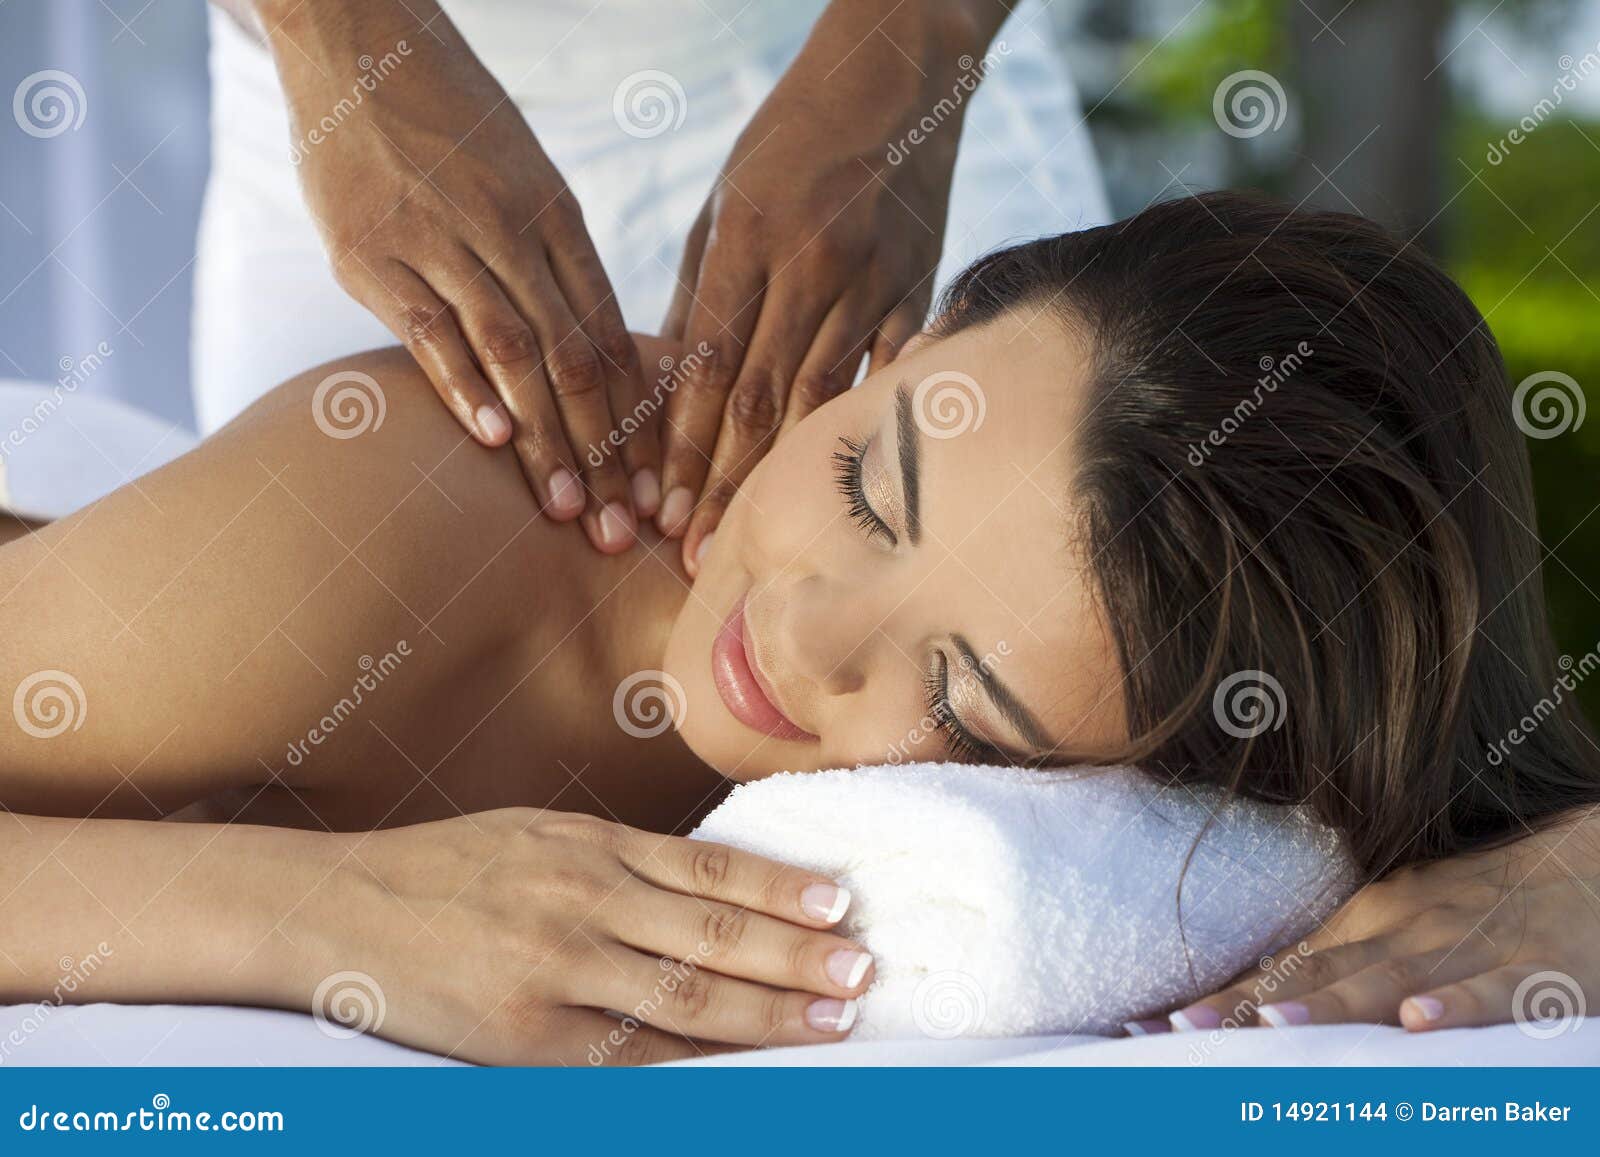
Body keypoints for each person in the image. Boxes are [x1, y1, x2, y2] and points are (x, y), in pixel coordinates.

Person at [3, 194, 1596, 1064]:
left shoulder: (1159, 788)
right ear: (904, 347)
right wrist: (329, 913)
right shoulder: (394, 516)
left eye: (963, 703)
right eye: (866, 478)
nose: (807, 628)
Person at [196, 0, 1108, 568]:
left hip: (877, 57)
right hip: (365, 74)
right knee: (293, 591)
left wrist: (922, 48)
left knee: (1047, 545)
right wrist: (323, 29)